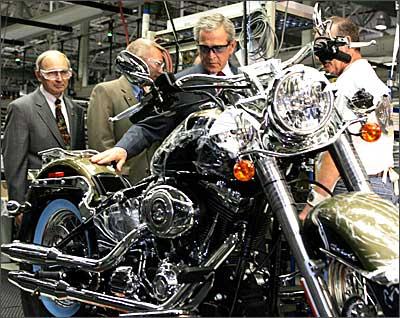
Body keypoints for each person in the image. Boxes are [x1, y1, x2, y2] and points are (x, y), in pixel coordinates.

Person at [91, 13, 238, 172]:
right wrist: (123, 148)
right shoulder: (181, 83)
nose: (211, 56)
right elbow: (149, 126)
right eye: (204, 48)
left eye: (217, 48)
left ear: (231, 46)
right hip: (194, 180)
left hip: (241, 176)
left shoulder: (247, 82)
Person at [299, 16, 398, 220]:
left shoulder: (347, 86)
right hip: (383, 185)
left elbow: (338, 150)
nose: (321, 57)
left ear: (346, 44)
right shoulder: (373, 82)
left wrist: (313, 203)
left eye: (326, 48)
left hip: (352, 188)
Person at [2, 50, 85, 209]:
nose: (59, 79)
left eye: (64, 72)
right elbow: (14, 163)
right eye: (52, 74)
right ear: (38, 75)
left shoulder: (76, 110)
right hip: (35, 199)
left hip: (70, 199)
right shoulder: (22, 108)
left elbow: (77, 156)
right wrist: (19, 204)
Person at [87, 38, 168, 184]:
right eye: (158, 64)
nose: (161, 70)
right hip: (123, 182)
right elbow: (100, 142)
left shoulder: (154, 96)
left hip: (154, 183)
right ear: (138, 62)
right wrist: (116, 177)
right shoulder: (106, 91)